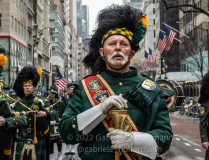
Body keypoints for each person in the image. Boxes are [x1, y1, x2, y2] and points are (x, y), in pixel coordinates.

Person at [59, 5, 173, 160]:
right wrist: (100, 110)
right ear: (102, 52)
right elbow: (66, 134)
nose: (118, 48)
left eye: (124, 44)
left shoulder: (153, 89)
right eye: (112, 44)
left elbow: (165, 137)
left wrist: (134, 141)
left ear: (131, 53)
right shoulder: (84, 88)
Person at [13, 66, 50, 160]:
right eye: (25, 86)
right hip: (22, 137)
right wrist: (14, 141)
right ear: (23, 88)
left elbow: (55, 115)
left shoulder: (41, 101)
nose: (27, 88)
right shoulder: (18, 103)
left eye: (29, 86)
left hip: (37, 138)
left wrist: (45, 114)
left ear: (33, 88)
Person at [47, 87, 63, 160]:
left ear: (54, 94)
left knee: (59, 141)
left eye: (50, 94)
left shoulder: (59, 102)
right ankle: (52, 156)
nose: (48, 95)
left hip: (58, 122)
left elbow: (63, 111)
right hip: (49, 123)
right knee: (50, 141)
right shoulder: (47, 103)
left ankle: (59, 155)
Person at [64, 84, 75, 156]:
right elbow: (62, 107)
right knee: (67, 132)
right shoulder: (65, 98)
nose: (72, 91)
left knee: (74, 132)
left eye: (73, 90)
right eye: (71, 89)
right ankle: (67, 147)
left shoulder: (76, 97)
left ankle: (73, 148)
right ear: (68, 90)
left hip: (74, 116)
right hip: (67, 117)